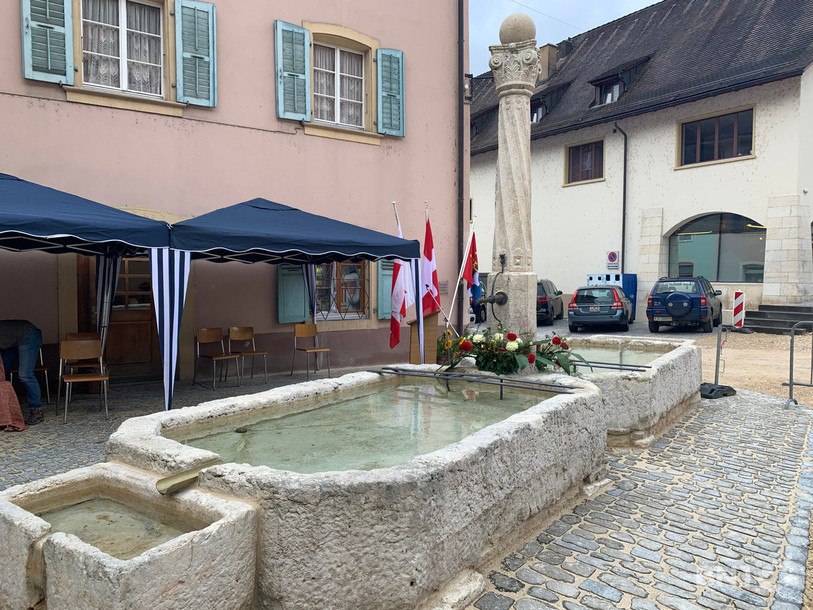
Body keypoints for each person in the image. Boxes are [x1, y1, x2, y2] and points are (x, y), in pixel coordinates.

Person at [0, 320, 43, 425]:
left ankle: (36, 409)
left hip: (29, 335)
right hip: (13, 342)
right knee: (1, 372)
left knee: (25, 375)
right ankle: (5, 411)